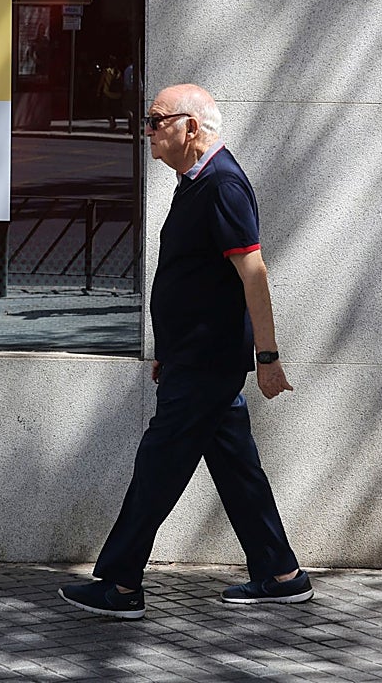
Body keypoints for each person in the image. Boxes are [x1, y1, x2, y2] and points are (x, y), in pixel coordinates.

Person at [59, 83, 311, 619]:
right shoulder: (193, 181)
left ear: (190, 127)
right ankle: (281, 573)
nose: (146, 131)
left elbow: (253, 272)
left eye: (155, 121)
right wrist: (170, 349)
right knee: (237, 468)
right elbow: (197, 280)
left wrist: (268, 357)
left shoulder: (221, 185)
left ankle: (121, 586)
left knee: (158, 467)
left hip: (206, 365)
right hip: (194, 359)